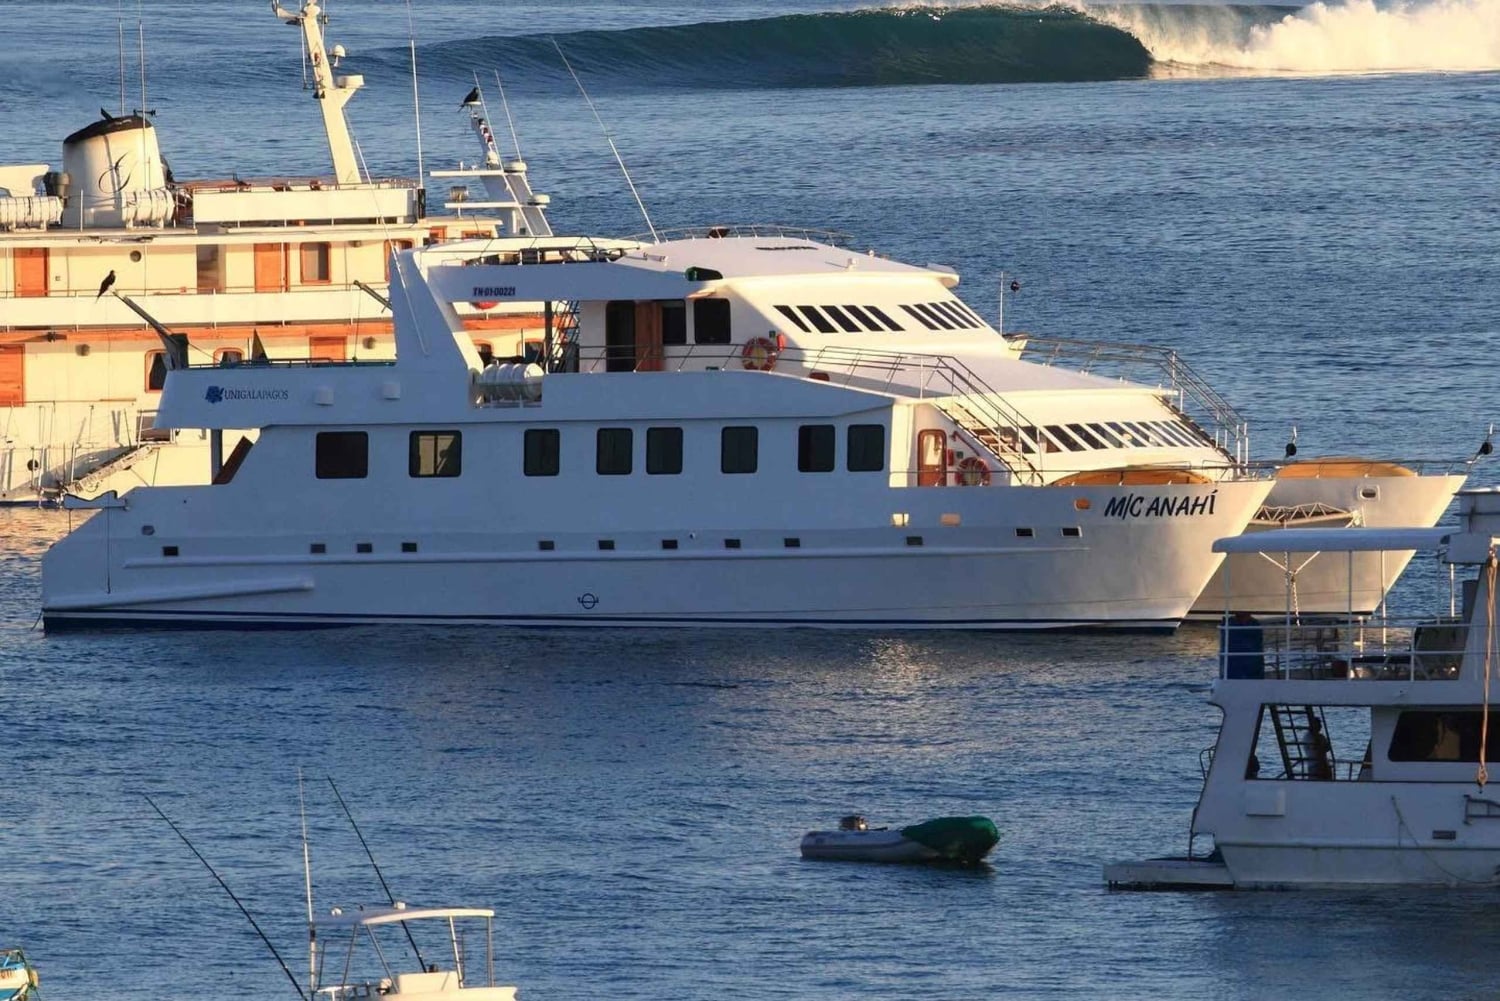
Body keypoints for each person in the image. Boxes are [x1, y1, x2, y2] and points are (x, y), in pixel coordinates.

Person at [1304, 713, 1333, 780]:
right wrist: (1323, 747)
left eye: (1320, 725)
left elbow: (1327, 748)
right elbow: (1317, 749)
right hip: (1315, 765)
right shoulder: (1309, 737)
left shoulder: (1321, 736)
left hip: (1323, 764)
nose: (1320, 727)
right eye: (1318, 725)